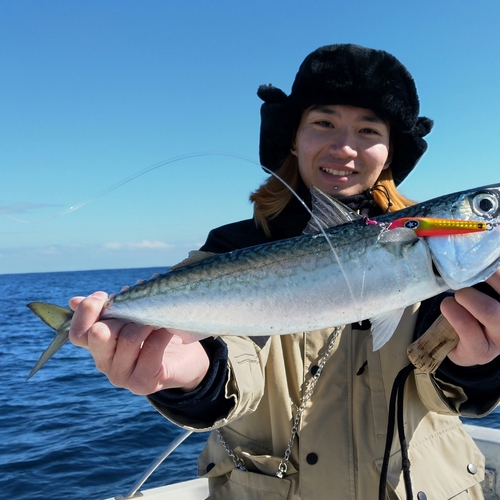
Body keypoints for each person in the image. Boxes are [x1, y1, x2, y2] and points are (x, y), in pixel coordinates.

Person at [68, 44, 500, 499]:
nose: (345, 147)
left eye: (369, 130)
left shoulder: (459, 268)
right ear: (294, 137)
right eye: (324, 123)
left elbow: (449, 391)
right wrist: (195, 376)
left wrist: (477, 365)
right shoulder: (230, 247)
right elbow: (230, 358)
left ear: (389, 151)